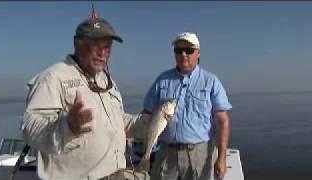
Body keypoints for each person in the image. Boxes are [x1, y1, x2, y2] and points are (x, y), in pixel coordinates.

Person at [22, 17, 148, 180]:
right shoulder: (53, 77)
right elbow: (30, 127)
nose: (102, 53)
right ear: (77, 44)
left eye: (107, 47)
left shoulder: (106, 80)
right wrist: (68, 126)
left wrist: (148, 123)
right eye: (95, 45)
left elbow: (119, 120)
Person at [142, 32, 232, 180]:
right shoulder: (162, 80)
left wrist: (221, 158)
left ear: (198, 53)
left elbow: (223, 121)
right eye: (178, 50)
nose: (183, 54)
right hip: (166, 153)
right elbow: (146, 113)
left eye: (189, 50)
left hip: (199, 154)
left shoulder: (211, 81)